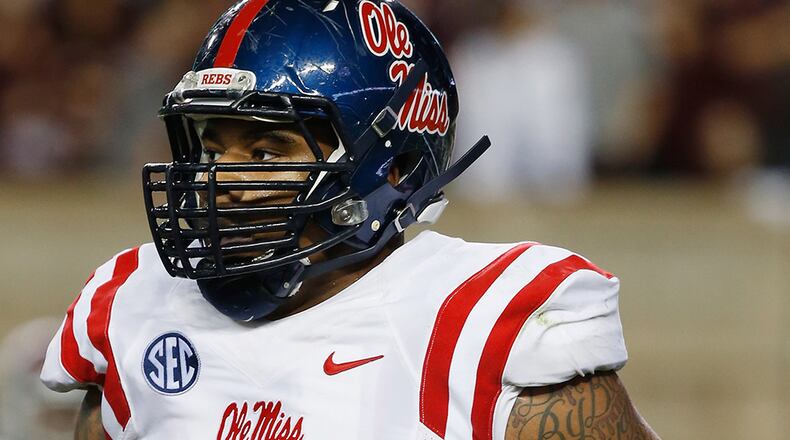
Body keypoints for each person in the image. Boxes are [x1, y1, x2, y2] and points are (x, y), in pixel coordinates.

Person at [40, 1, 660, 438]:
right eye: (209, 147)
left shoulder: (481, 326)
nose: (219, 182)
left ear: (391, 170)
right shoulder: (133, 310)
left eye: (263, 151)